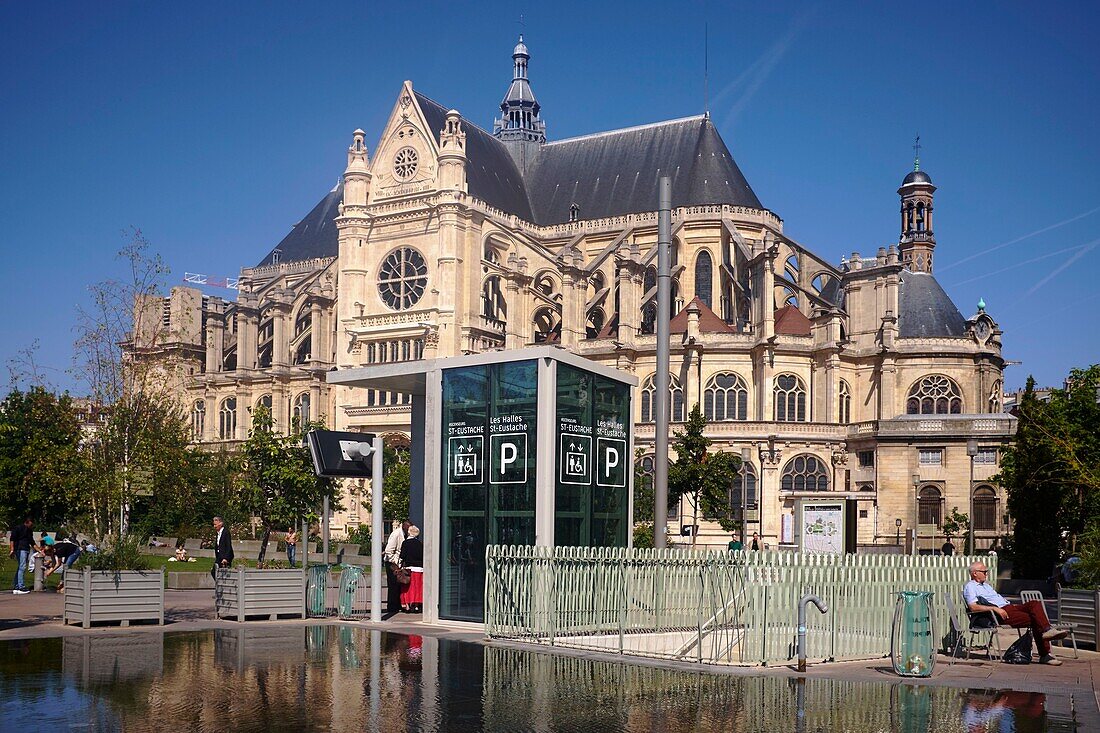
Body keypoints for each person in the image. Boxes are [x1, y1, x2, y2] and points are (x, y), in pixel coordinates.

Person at [963, 560, 1068, 665]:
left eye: (987, 571)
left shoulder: (986, 586)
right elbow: (973, 607)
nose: (987, 573)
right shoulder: (970, 587)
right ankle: (1045, 654)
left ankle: (1047, 630)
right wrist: (994, 609)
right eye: (984, 571)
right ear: (975, 573)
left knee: (1034, 604)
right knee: (1036, 620)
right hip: (1000, 613)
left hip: (1009, 607)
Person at [383, 520, 409, 613]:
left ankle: (397, 605)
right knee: (393, 584)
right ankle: (392, 607)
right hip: (392, 563)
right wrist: (395, 564)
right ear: (404, 527)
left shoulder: (405, 535)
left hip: (398, 563)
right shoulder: (396, 534)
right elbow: (389, 551)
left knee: (399, 584)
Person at [399, 526, 424, 613]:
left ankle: (408, 605)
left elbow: (402, 556)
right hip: (420, 569)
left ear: (409, 532)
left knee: (408, 588)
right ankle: (417, 606)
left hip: (409, 568)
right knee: (418, 587)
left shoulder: (405, 543)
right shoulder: (420, 543)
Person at [9, 517, 34, 594]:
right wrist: (12, 549)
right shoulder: (18, 528)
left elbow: (32, 542)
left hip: (26, 549)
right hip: (20, 548)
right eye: (31, 524)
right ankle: (20, 586)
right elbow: (12, 539)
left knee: (20, 567)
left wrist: (39, 550)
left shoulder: (29, 531)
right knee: (22, 567)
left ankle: (16, 585)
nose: (31, 526)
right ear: (27, 522)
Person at [211, 516, 234, 581]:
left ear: (220, 523)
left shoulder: (225, 532)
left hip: (225, 557)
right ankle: (220, 585)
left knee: (222, 573)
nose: (214, 526)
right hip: (219, 556)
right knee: (215, 572)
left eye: (215, 524)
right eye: (214, 524)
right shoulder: (218, 533)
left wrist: (226, 558)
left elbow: (228, 546)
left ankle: (224, 586)